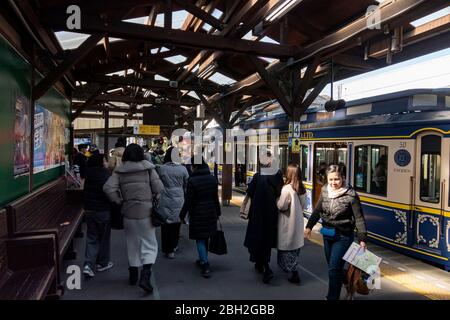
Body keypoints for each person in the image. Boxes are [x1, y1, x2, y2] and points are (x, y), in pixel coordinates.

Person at [103, 144, 163, 293]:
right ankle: (145, 275)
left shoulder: (119, 170)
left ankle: (133, 276)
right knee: (149, 244)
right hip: (146, 213)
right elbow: (159, 188)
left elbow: (108, 188)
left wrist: (118, 200)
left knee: (132, 243)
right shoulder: (148, 169)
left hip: (128, 213)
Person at [305, 165, 367, 300]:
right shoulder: (325, 190)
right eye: (331, 179)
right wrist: (309, 226)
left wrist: (362, 239)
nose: (333, 183)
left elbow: (359, 218)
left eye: (337, 179)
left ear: (343, 178)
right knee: (334, 269)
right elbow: (317, 210)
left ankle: (332, 297)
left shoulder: (351, 195)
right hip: (327, 234)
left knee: (333, 269)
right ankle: (351, 281)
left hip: (343, 236)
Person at [244, 155, 283, 284]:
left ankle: (265, 267)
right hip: (271, 214)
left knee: (257, 239)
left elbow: (249, 192)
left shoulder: (258, 176)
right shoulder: (278, 177)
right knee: (266, 241)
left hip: (257, 214)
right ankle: (262, 264)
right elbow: (279, 194)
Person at [180, 157, 221, 278]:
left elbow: (188, 200)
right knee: (206, 236)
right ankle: (203, 258)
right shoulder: (212, 179)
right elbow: (215, 198)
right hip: (211, 211)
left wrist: (182, 215)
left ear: (195, 166)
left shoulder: (192, 180)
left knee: (200, 238)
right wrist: (218, 212)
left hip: (197, 212)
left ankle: (205, 263)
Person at [82, 153, 113, 278]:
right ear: (101, 162)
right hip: (103, 210)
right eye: (105, 161)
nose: (106, 163)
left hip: (89, 210)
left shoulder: (88, 173)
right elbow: (109, 191)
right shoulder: (105, 174)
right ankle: (102, 263)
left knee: (92, 237)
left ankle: (88, 265)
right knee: (104, 237)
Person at [156, 147, 189, 258]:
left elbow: (157, 183)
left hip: (164, 198)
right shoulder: (183, 169)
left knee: (165, 224)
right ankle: (174, 247)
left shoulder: (161, 169)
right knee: (176, 223)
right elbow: (186, 185)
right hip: (179, 199)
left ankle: (167, 249)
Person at [276, 163, 307, 284]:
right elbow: (303, 206)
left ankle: (294, 273)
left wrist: (277, 200)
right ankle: (293, 271)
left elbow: (281, 206)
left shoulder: (286, 189)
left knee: (287, 247)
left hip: (287, 222)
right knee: (294, 248)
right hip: (298, 222)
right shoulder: (302, 189)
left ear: (288, 174)